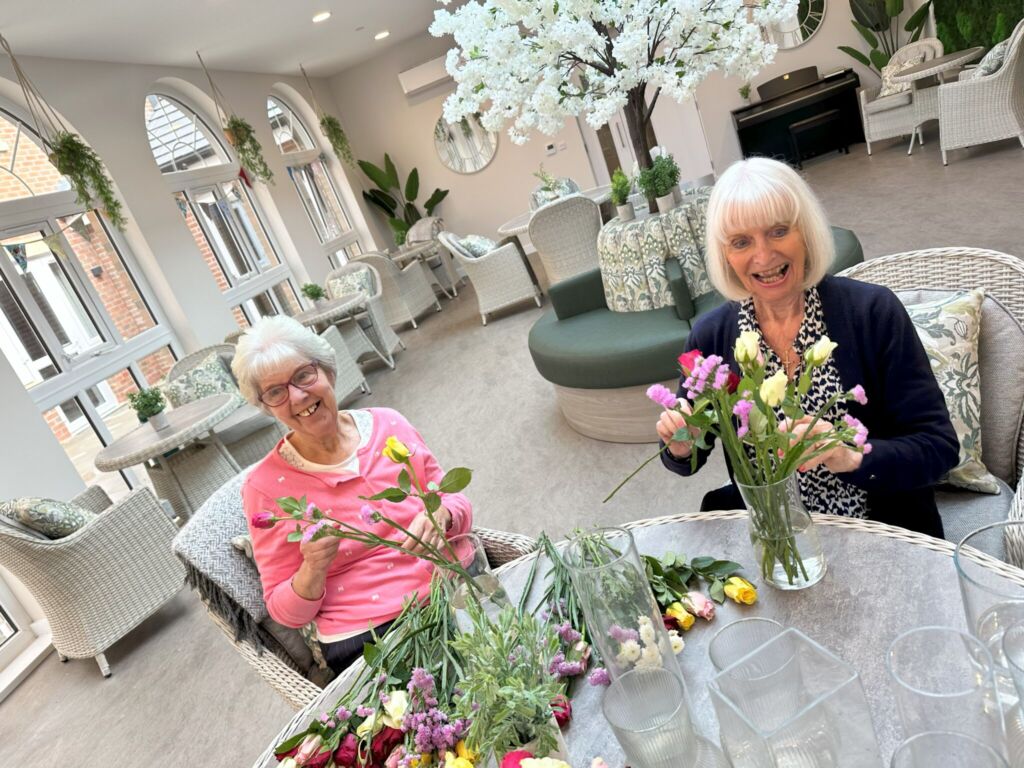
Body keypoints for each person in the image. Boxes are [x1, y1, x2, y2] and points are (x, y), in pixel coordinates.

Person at [657, 157, 958, 537]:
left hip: (880, 532)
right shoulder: (711, 337)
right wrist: (680, 440)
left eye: (779, 231)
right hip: (776, 536)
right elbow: (690, 454)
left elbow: (939, 448)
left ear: (807, 232)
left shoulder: (873, 313)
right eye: (741, 242)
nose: (763, 257)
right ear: (725, 255)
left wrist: (852, 457)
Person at [233, 316, 473, 674]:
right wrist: (313, 568)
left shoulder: (391, 424)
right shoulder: (265, 489)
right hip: (371, 635)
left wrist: (444, 516)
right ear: (266, 407)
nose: (297, 396)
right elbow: (286, 613)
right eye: (275, 392)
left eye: (303, 375)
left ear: (328, 372)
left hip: (454, 583)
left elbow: (455, 502)